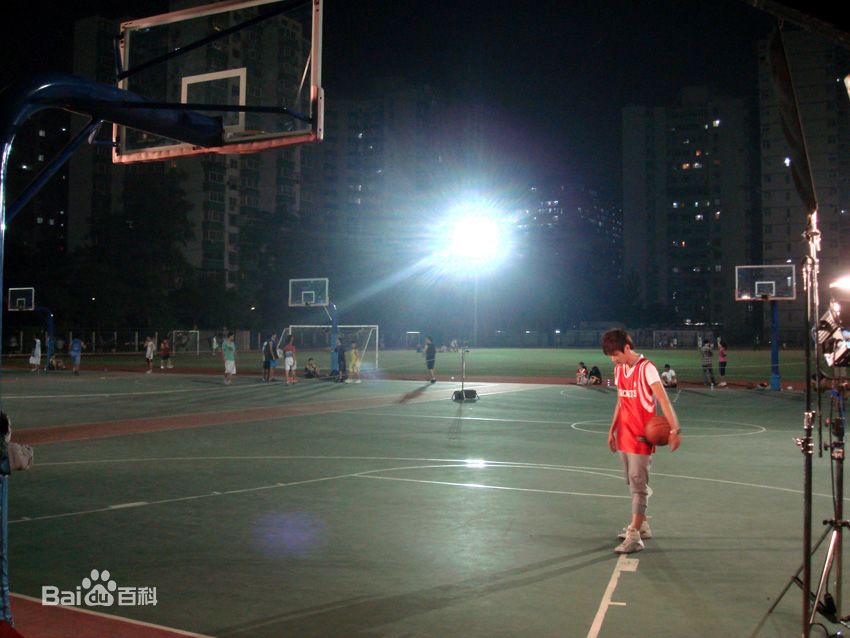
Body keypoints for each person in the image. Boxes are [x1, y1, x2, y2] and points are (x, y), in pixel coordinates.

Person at [602, 328, 681, 554]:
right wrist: (612, 430)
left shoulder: (647, 369)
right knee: (633, 483)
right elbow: (620, 401)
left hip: (642, 436)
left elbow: (664, 400)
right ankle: (642, 525)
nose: (614, 359)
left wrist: (675, 429)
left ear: (627, 347)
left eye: (616, 354)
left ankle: (635, 536)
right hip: (625, 434)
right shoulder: (619, 369)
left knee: (638, 485)